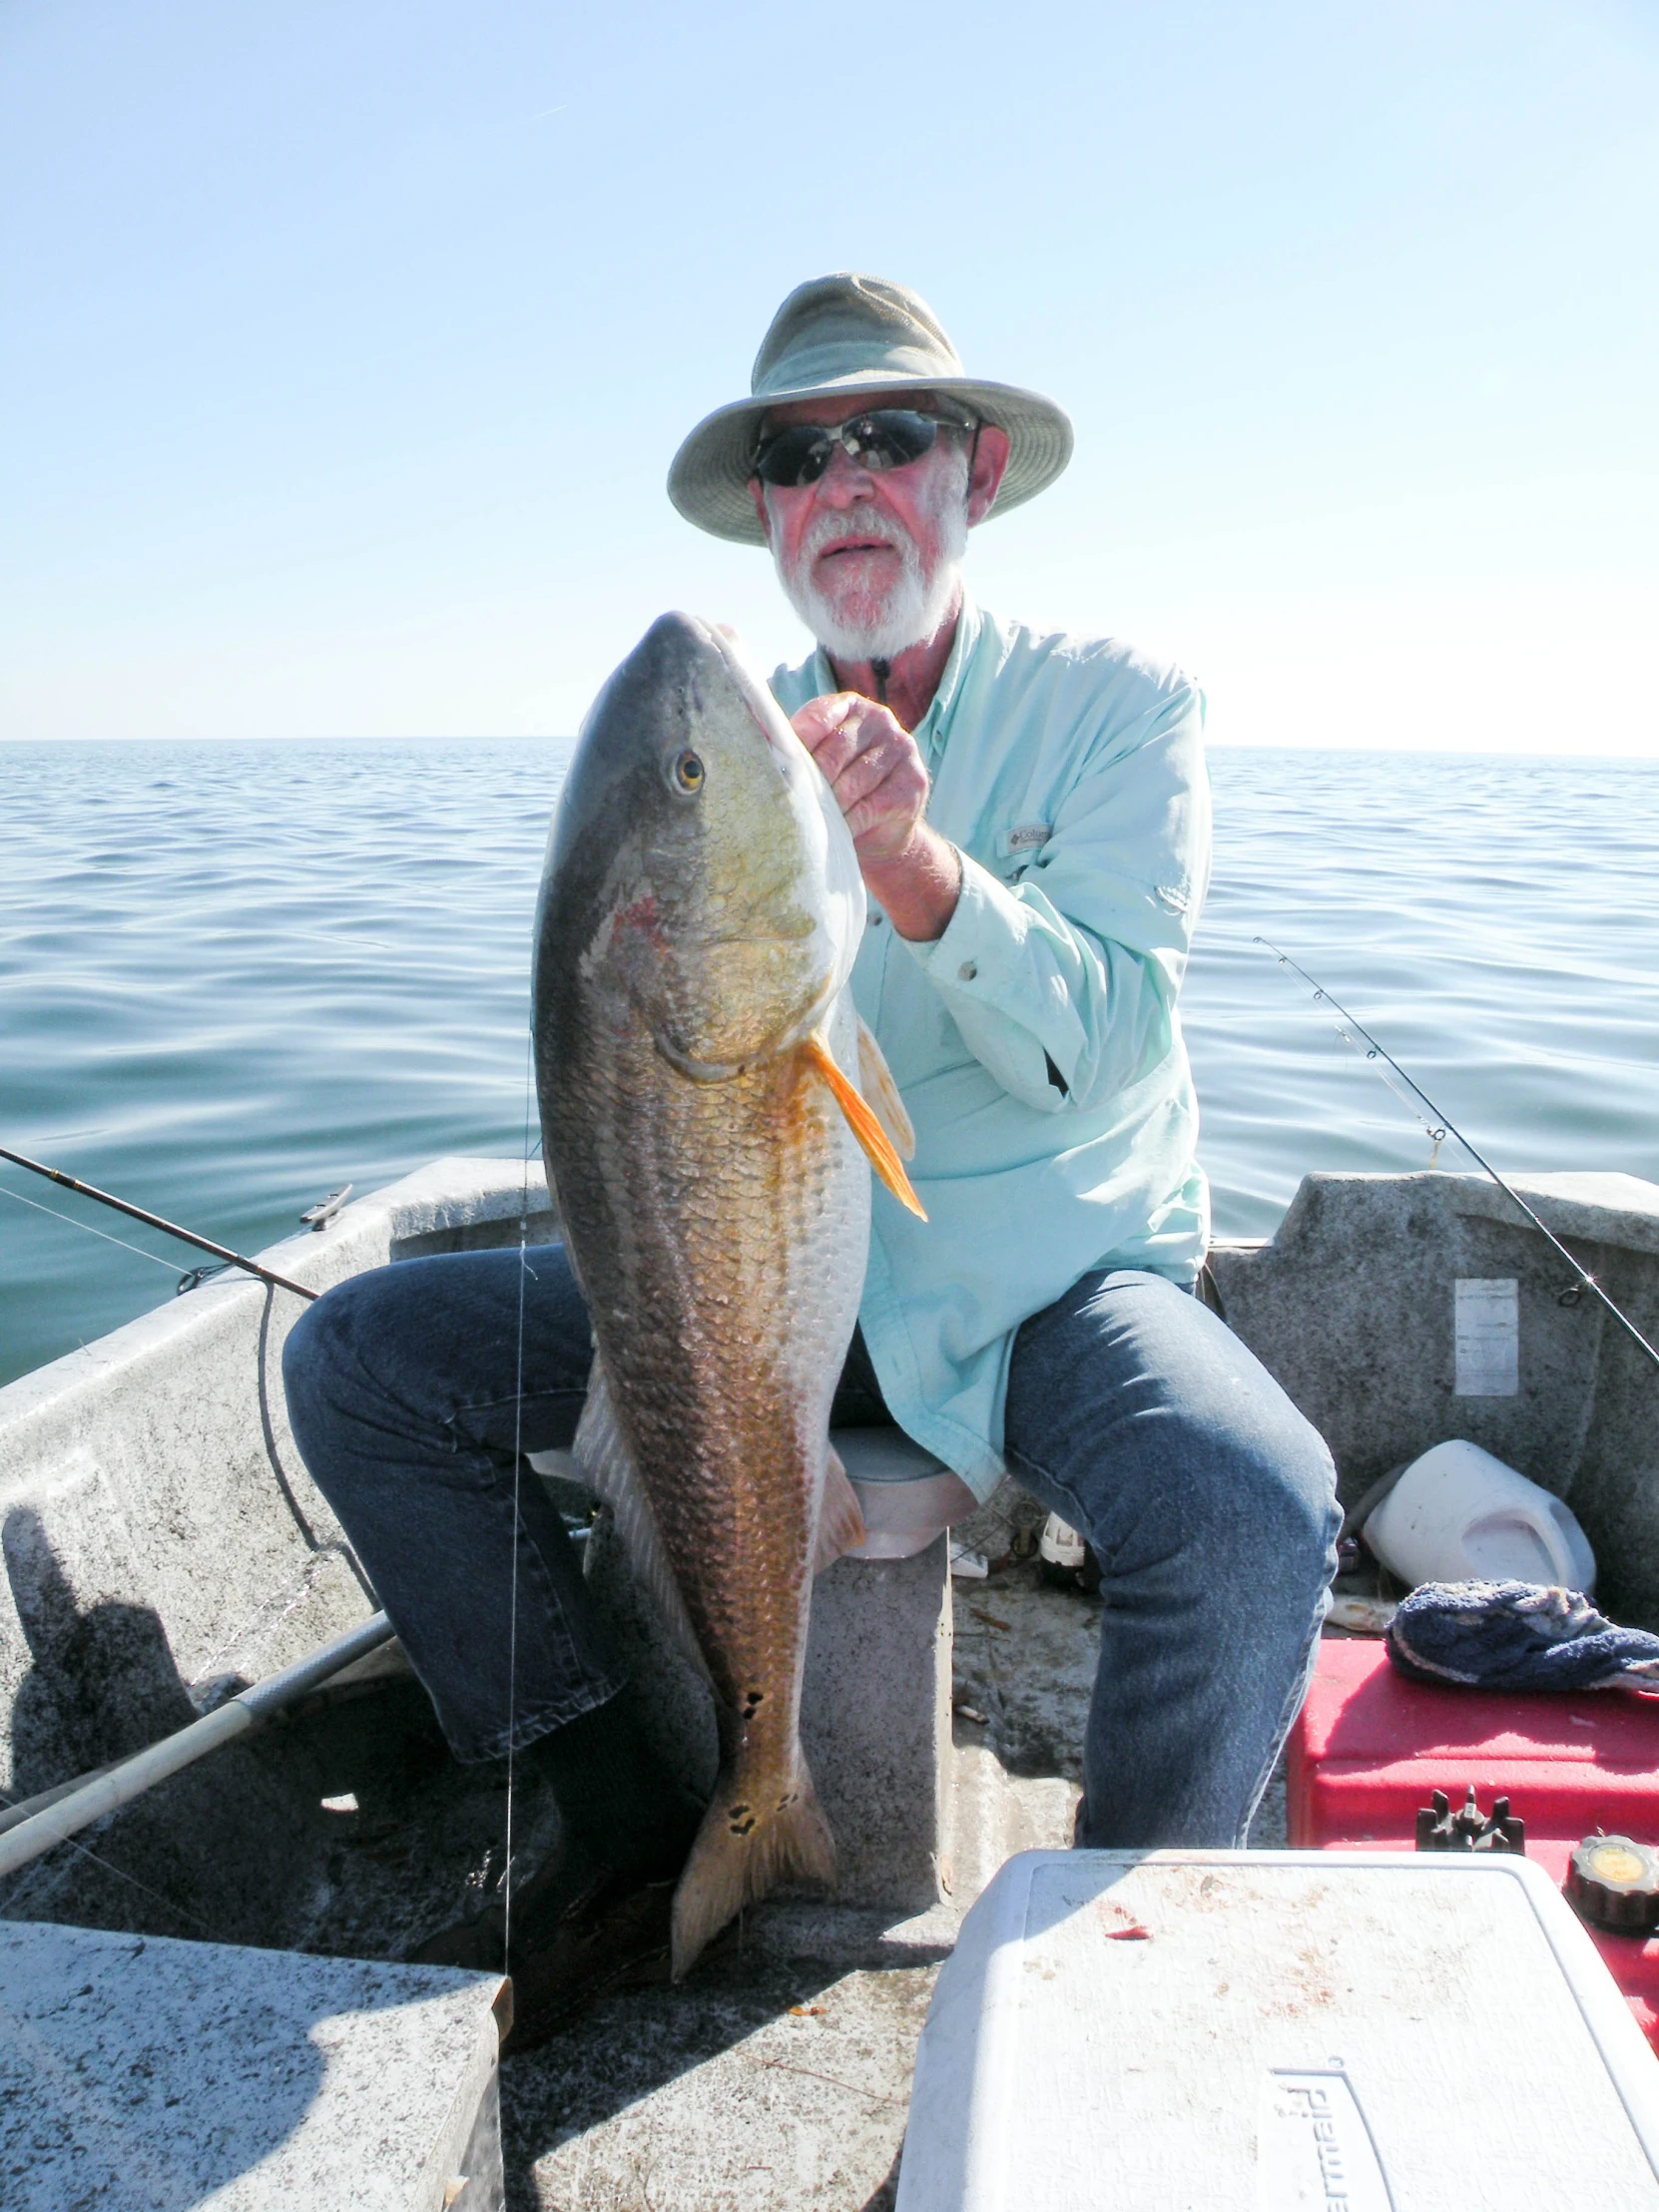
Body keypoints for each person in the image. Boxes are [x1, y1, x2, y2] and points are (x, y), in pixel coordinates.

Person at [282, 272, 1339, 2039]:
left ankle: (1105, 1994)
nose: (847, 478)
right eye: (799, 452)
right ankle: (626, 1815)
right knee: (360, 1361)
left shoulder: (1117, 709)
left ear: (974, 476)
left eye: (892, 436)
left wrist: (920, 869)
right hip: (754, 1271)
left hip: (1043, 1287)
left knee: (1250, 1509)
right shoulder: (740, 743)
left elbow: (1109, 1045)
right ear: (769, 510)